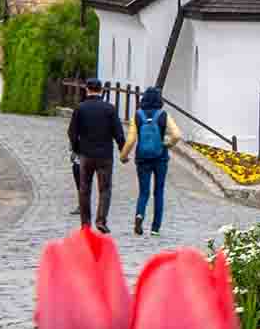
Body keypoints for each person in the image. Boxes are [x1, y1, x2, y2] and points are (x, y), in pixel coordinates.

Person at [120, 85, 182, 235]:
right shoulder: (163, 115)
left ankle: (140, 215)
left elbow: (131, 140)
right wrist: (167, 144)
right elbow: (177, 135)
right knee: (158, 192)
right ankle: (155, 228)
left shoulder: (137, 115)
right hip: (160, 158)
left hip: (142, 158)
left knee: (144, 192)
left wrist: (123, 156)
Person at [67, 78, 127, 233]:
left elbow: (72, 132)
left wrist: (76, 148)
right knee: (105, 189)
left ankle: (85, 223)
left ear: (87, 89)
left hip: (86, 154)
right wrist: (123, 150)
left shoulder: (80, 109)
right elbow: (118, 133)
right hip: (105, 155)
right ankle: (101, 220)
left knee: (84, 189)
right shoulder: (110, 109)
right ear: (101, 90)